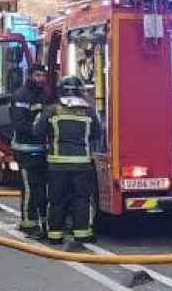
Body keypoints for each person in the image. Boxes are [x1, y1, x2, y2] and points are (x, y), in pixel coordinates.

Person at [33, 76, 103, 246]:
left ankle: (55, 235)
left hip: (57, 165)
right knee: (81, 200)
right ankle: (82, 235)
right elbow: (97, 134)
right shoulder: (90, 112)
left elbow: (38, 131)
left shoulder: (51, 111)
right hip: (82, 164)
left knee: (57, 200)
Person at [10, 65, 52, 237]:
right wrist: (38, 130)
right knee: (29, 188)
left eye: (43, 75)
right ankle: (28, 222)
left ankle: (42, 222)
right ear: (30, 76)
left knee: (42, 188)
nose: (41, 79)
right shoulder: (21, 96)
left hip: (42, 150)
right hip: (25, 150)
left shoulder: (44, 95)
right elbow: (19, 124)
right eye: (37, 75)